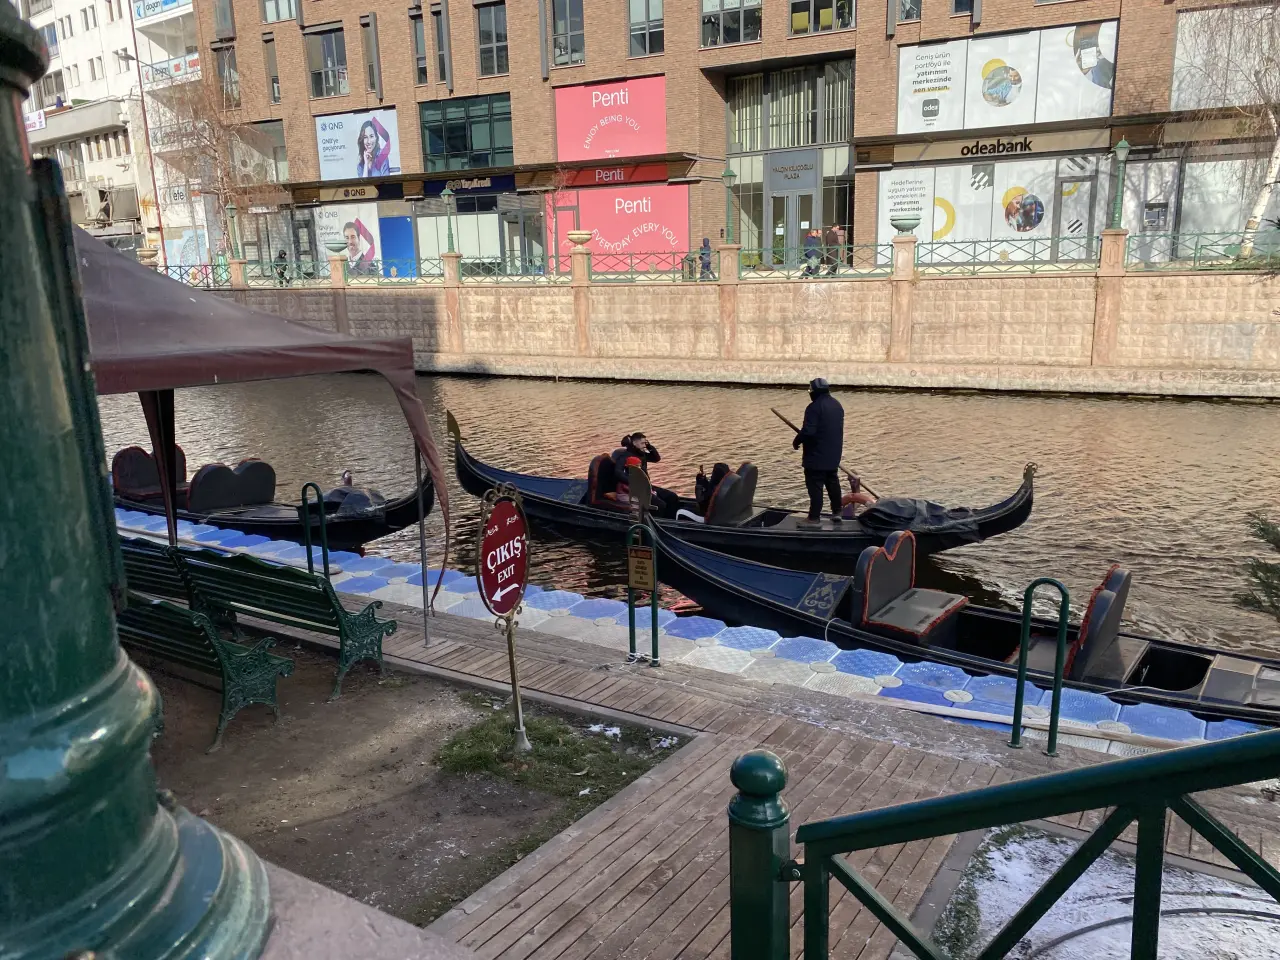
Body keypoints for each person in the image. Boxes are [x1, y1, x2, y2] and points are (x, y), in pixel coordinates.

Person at [792, 378, 844, 526]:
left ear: (814, 392)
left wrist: (797, 440)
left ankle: (814, 518)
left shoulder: (814, 407)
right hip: (833, 454)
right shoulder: (837, 405)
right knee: (832, 482)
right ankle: (837, 512)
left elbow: (809, 431)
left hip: (816, 456)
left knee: (815, 486)